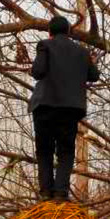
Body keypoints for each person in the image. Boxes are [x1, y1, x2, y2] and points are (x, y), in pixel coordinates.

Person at [29, 16, 100, 201]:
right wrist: (89, 61)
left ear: (50, 33)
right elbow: (94, 76)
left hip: (45, 106)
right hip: (70, 109)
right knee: (66, 151)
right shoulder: (82, 52)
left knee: (44, 150)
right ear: (69, 32)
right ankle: (60, 193)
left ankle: (45, 193)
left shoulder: (45, 45)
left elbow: (37, 72)